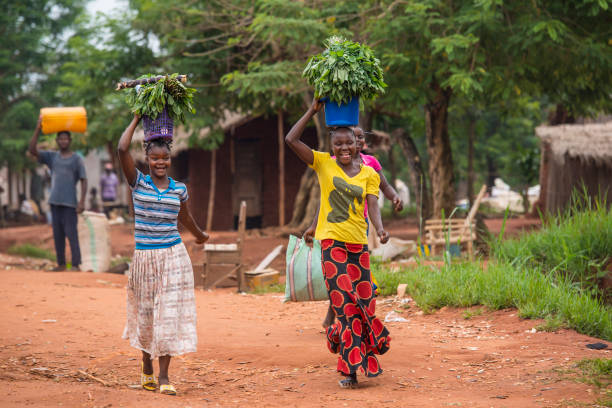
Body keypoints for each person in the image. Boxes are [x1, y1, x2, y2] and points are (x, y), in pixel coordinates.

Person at [285, 98, 391, 389]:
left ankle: (341, 340)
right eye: (338, 144)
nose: (344, 149)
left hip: (359, 247)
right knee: (345, 305)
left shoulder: (369, 173)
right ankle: (350, 370)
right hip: (332, 246)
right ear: (332, 146)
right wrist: (313, 111)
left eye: (349, 144)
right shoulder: (323, 164)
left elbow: (373, 205)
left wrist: (380, 230)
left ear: (358, 144)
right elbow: (290, 139)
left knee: (365, 306)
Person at [117, 115, 208, 396]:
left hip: (173, 257)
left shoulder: (179, 189)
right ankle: (147, 365)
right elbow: (122, 149)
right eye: (155, 158)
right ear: (146, 157)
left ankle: (165, 376)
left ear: (170, 159)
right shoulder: (137, 182)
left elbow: (185, 217)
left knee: (167, 315)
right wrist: (136, 118)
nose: (160, 163)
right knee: (146, 317)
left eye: (165, 159)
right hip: (145, 259)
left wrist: (200, 234)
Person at [305, 126, 404, 328]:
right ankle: (340, 320)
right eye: (353, 138)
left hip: (361, 226)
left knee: (354, 278)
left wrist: (394, 198)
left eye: (358, 138)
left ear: (362, 142)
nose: (356, 142)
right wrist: (314, 225)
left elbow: (383, 188)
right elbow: (326, 200)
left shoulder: (370, 165)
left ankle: (353, 321)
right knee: (340, 277)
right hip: (335, 229)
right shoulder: (332, 164)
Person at [28, 115, 87, 271]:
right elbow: (32, 150)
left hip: (70, 203)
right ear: (57, 141)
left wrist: (82, 202)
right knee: (58, 234)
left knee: (71, 234)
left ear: (70, 141)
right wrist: (38, 128)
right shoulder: (52, 157)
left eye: (65, 139)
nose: (63, 141)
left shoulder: (76, 159)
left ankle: (75, 264)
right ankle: (61, 264)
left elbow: (84, 179)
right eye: (60, 139)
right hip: (54, 201)